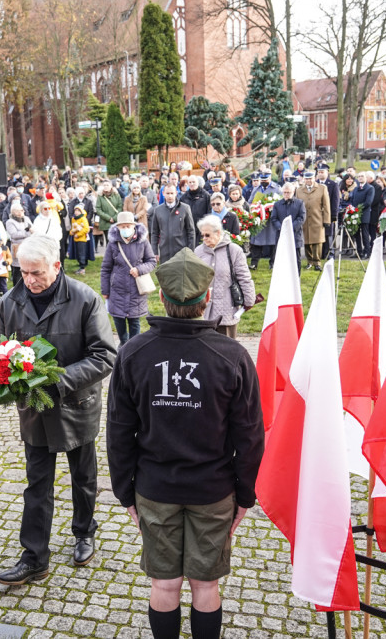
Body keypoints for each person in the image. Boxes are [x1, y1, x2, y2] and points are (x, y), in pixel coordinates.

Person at [105, 248, 264, 639]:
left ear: (161, 297)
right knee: (206, 585)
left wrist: (126, 493)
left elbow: (118, 433)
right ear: (207, 297)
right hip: (213, 491)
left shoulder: (132, 352)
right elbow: (250, 436)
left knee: (164, 585)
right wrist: (245, 496)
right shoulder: (233, 356)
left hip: (156, 489)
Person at [0, 235, 117, 585]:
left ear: (56, 267)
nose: (29, 280)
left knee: (83, 476)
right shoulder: (10, 301)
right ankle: (35, 558)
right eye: (23, 272)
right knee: (37, 484)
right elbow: (4, 350)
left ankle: (84, 531)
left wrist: (57, 381)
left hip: (76, 404)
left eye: (36, 273)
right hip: (34, 408)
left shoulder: (84, 298)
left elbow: (105, 355)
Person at [194, 216, 256, 339]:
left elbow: (244, 277)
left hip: (226, 310)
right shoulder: (198, 251)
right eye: (202, 235)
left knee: (226, 349)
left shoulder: (234, 250)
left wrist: (249, 301)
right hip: (203, 311)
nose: (204, 239)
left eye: (207, 235)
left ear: (218, 232)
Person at [101, 212, 157, 345]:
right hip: (117, 289)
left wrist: (139, 269)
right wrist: (105, 290)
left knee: (134, 321)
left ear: (134, 226)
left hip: (136, 289)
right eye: (122, 226)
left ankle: (133, 345)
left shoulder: (143, 242)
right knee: (118, 319)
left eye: (128, 226)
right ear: (118, 227)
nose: (125, 229)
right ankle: (123, 342)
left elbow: (151, 261)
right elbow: (105, 268)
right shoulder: (113, 244)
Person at [294, 173, 330, 270]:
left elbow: (326, 205)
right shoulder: (299, 190)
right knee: (306, 241)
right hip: (304, 219)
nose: (308, 180)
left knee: (317, 241)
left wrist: (327, 220)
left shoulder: (322, 188)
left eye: (310, 178)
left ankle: (317, 262)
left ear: (314, 178)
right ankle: (309, 261)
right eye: (306, 178)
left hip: (317, 218)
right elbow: (296, 205)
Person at [5, 201, 32, 287]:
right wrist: (26, 232)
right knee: (18, 270)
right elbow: (14, 235)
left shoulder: (26, 219)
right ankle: (17, 289)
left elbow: (32, 229)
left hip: (28, 247)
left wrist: (27, 232)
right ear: (15, 212)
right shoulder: (10, 222)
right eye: (21, 210)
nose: (23, 211)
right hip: (18, 248)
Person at [348, 173, 375, 259]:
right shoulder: (356, 188)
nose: (360, 178)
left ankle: (367, 252)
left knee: (365, 234)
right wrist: (352, 208)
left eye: (362, 176)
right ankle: (359, 252)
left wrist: (357, 209)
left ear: (366, 178)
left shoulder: (370, 188)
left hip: (364, 214)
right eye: (358, 176)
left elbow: (368, 202)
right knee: (356, 234)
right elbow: (352, 200)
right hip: (355, 214)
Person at [68, 204, 94, 275]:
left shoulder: (83, 218)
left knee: (81, 253)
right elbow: (72, 228)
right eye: (75, 210)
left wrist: (78, 234)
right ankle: (80, 266)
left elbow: (86, 229)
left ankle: (82, 268)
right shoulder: (73, 219)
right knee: (78, 254)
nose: (76, 212)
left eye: (78, 211)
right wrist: (71, 232)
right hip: (75, 239)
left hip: (82, 239)